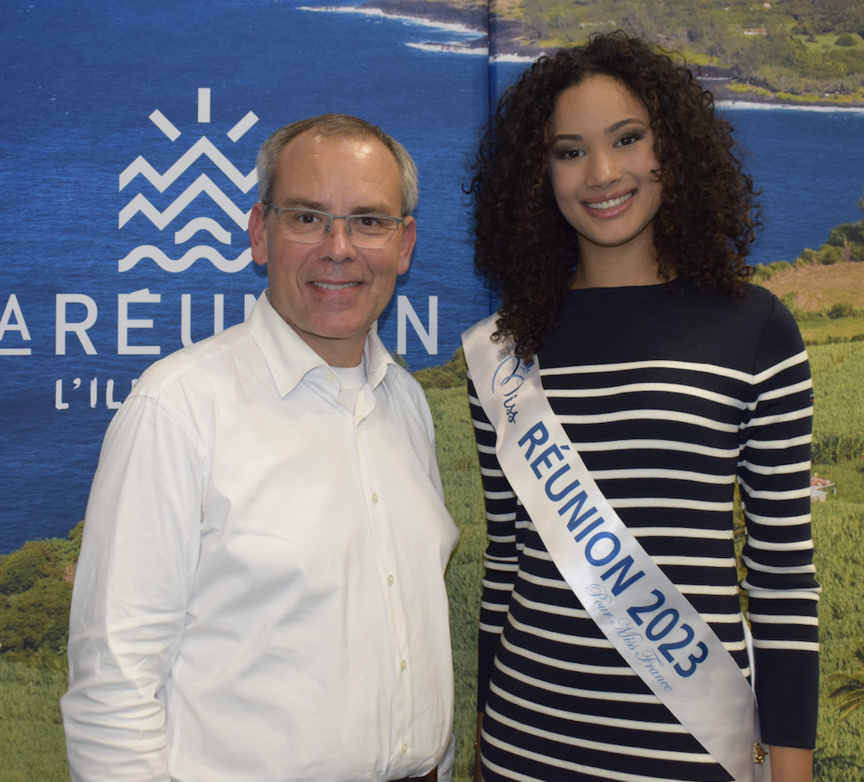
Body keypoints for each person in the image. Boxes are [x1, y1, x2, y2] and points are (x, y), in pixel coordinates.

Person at [464, 32, 819, 782]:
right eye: (569, 151)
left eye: (627, 138)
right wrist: (485, 735)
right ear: (539, 175)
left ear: (673, 149)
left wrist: (790, 766)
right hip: (524, 747)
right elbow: (506, 566)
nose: (602, 173)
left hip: (694, 752)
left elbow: (783, 577)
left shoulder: (757, 329)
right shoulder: (503, 351)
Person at [61, 114, 459, 782]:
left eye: (368, 221)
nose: (339, 248)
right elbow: (113, 685)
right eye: (307, 218)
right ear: (259, 233)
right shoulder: (179, 407)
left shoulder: (406, 404)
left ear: (404, 244)